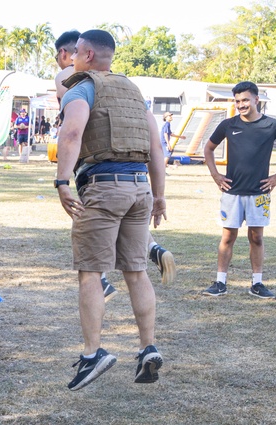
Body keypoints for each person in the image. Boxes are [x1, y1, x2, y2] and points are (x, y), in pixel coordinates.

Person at [56, 29, 167, 390]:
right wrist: (160, 196)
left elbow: (71, 135)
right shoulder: (134, 92)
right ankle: (147, 347)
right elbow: (155, 148)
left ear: (86, 54)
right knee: (136, 272)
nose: (72, 59)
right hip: (140, 190)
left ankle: (93, 354)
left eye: (75, 54)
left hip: (104, 188)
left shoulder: (82, 87)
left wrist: (61, 182)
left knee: (90, 273)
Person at [202, 81, 276, 299]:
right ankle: (220, 282)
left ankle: (257, 283)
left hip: (259, 194)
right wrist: (216, 175)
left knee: (256, 238)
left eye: (245, 100)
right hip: (232, 193)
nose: (241, 105)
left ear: (256, 99)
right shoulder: (228, 125)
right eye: (237, 101)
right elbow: (208, 148)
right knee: (228, 237)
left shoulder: (272, 125)